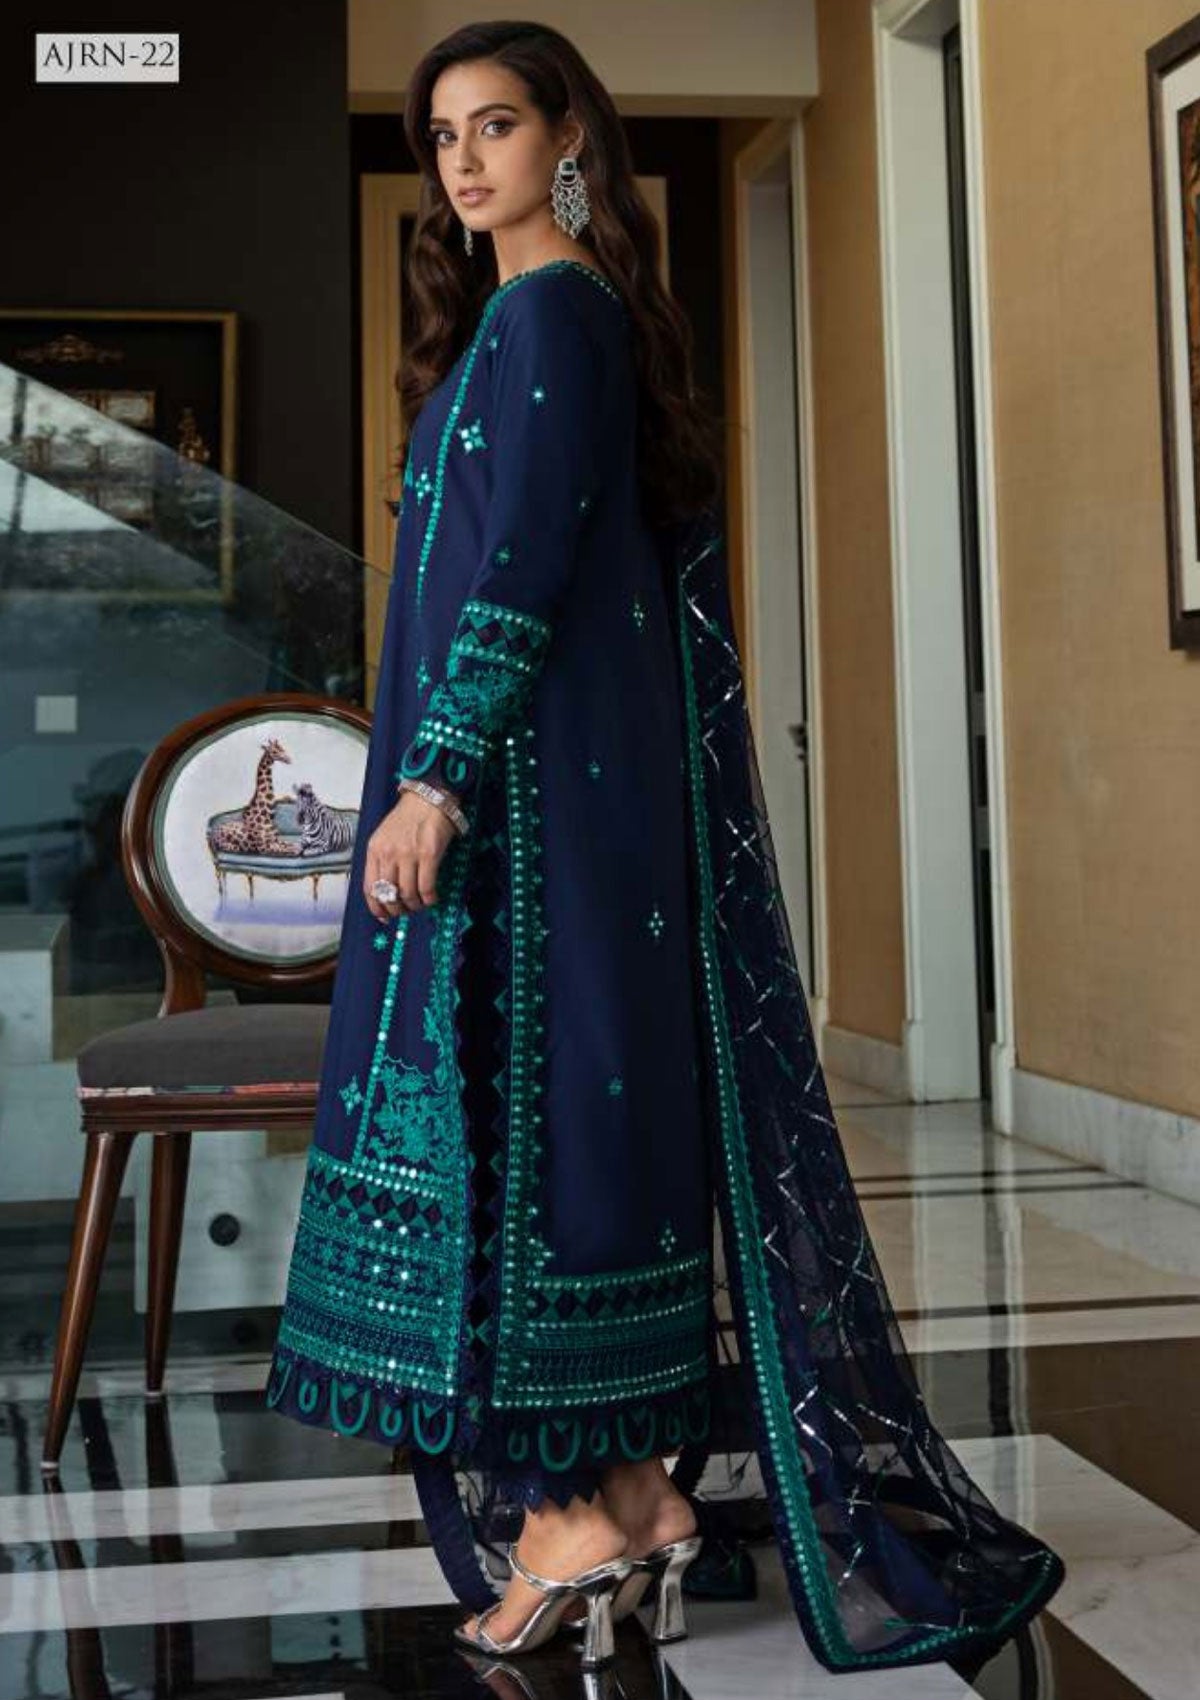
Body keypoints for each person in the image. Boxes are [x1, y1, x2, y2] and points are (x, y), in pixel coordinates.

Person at [266, 18, 1065, 1675]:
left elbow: (527, 566)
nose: (462, 160)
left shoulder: (558, 314)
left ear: (570, 139)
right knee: (544, 1125)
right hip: (542, 799)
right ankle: (630, 1493)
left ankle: (575, 1515)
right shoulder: (516, 322)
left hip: (531, 807)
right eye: (440, 136)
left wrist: (436, 781)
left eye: (495, 125)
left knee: (541, 1128)